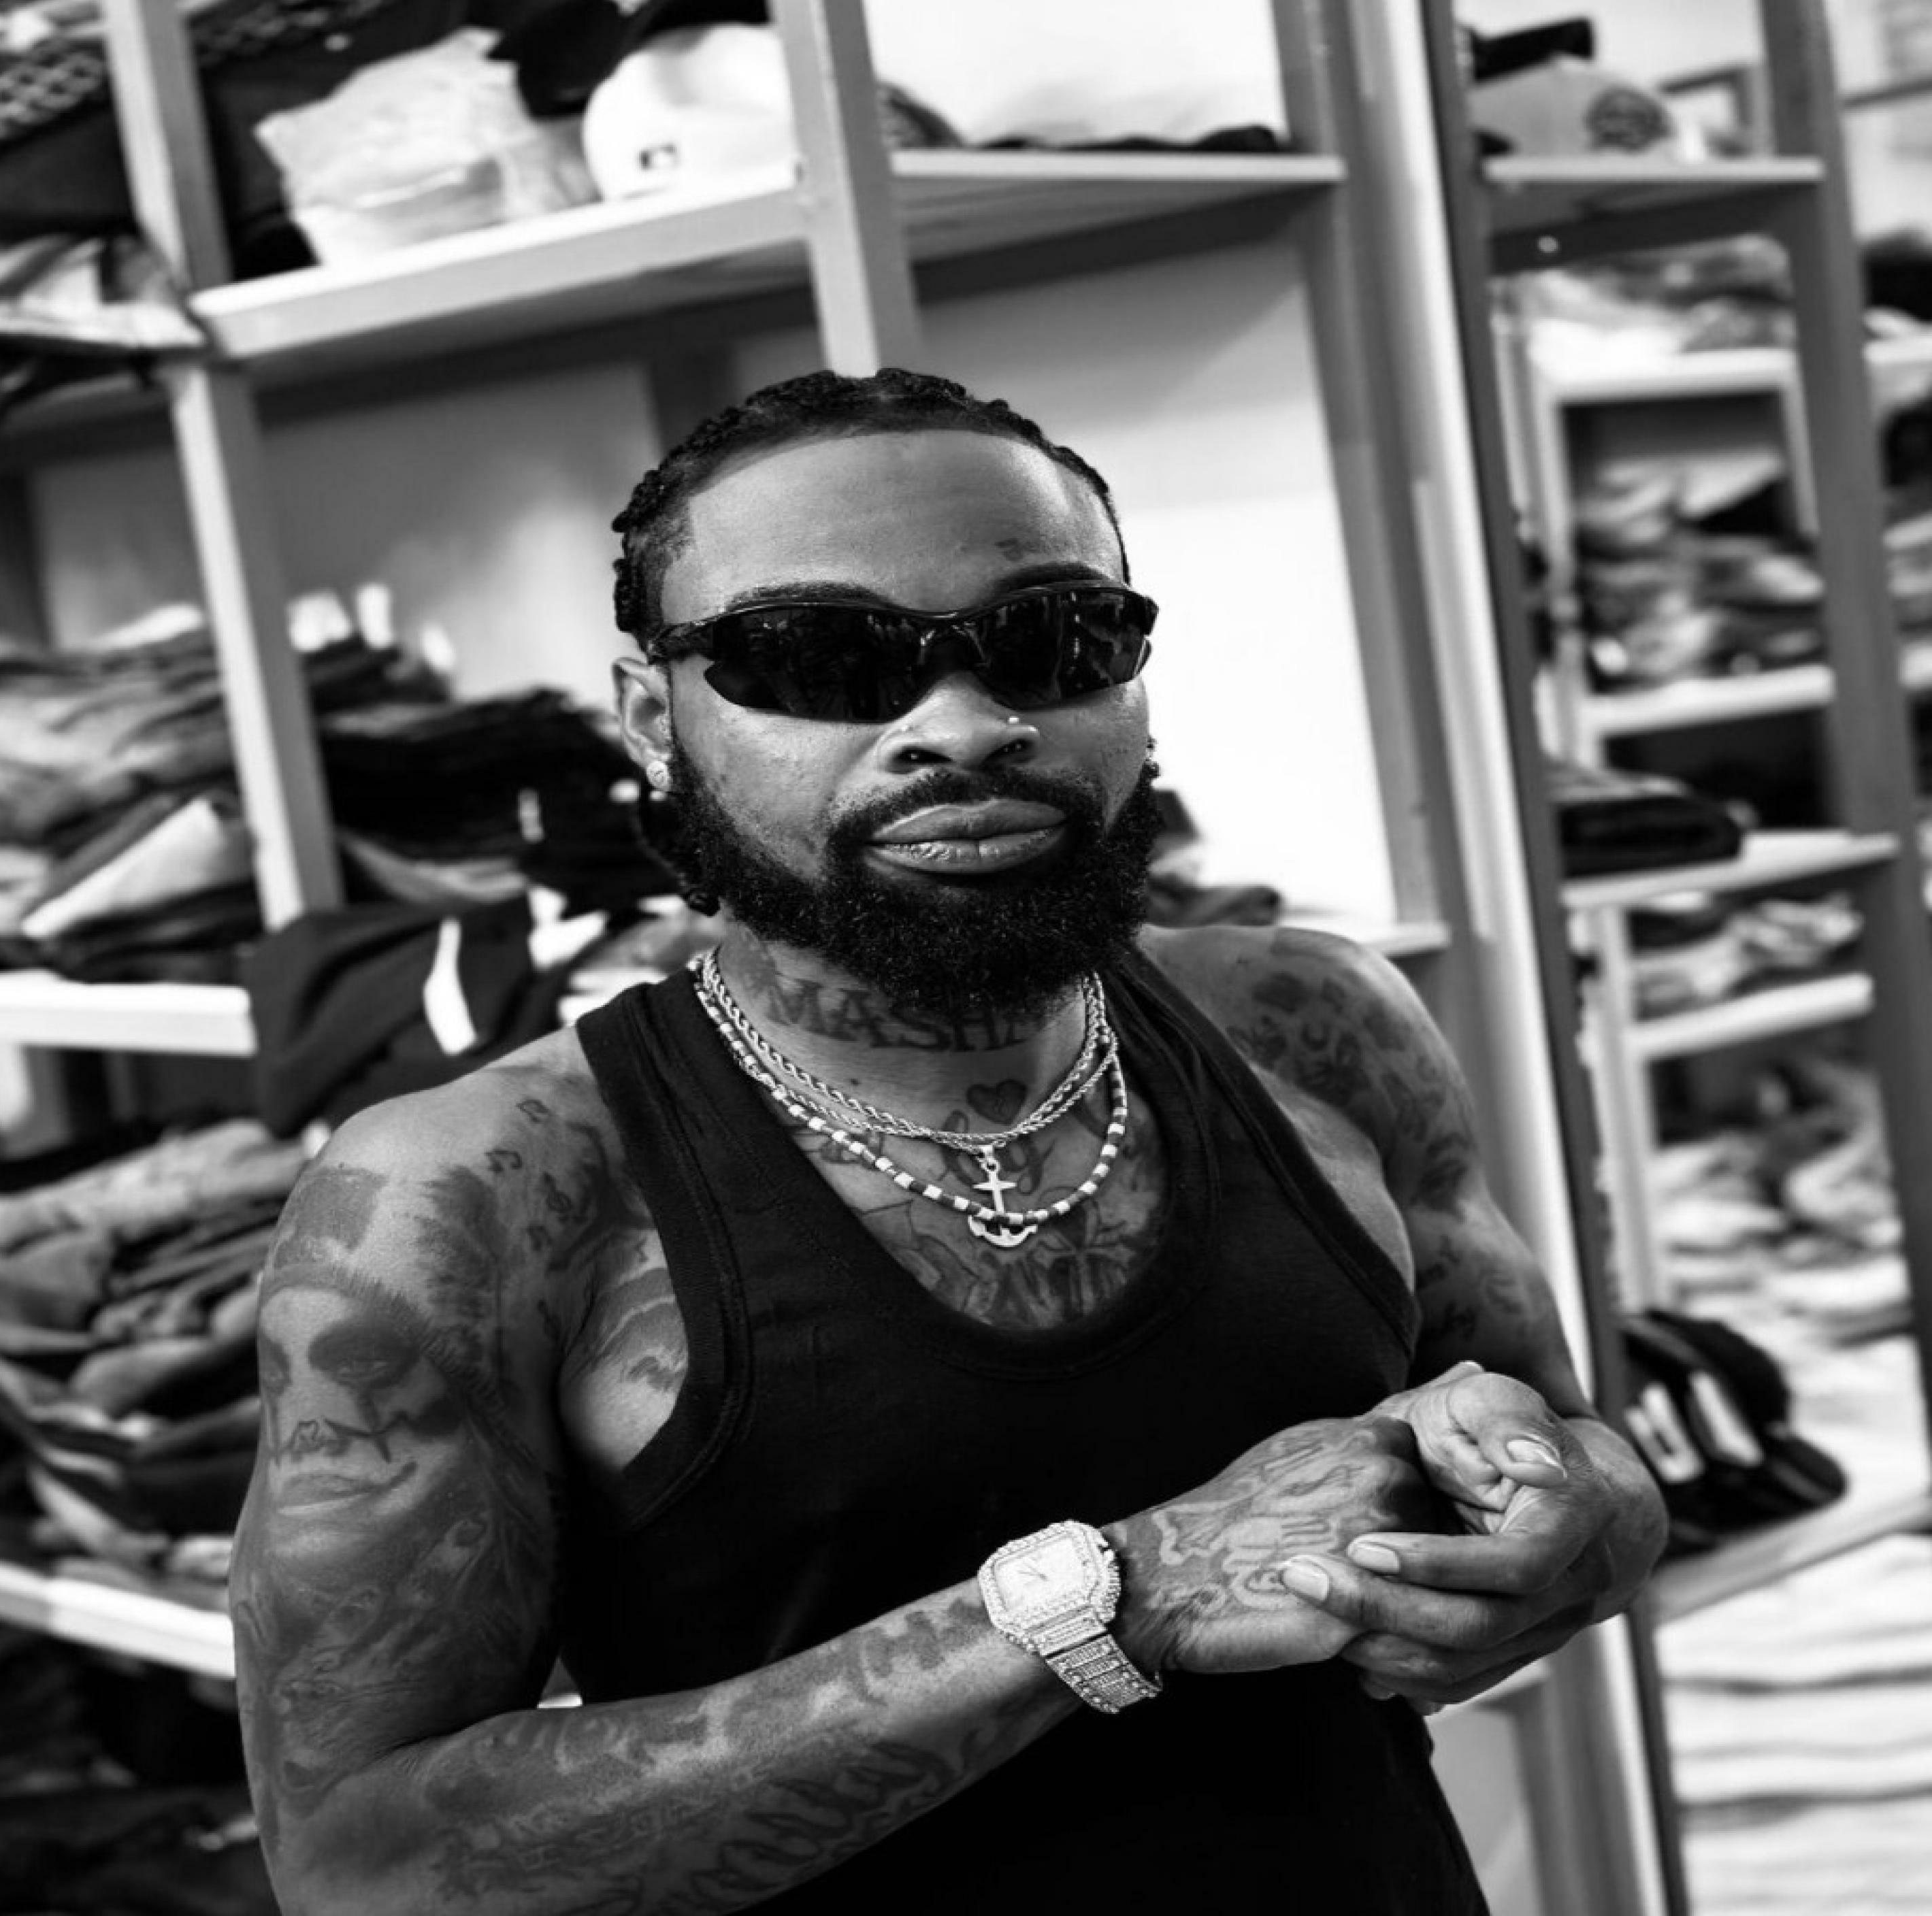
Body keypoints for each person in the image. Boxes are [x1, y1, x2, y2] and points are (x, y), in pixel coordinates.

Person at [230, 367, 1669, 1915]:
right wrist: (1112, 1598)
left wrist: (1572, 1526)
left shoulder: (1319, 1021)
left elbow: (1583, 1450)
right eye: (821, 658)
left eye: (1054, 639)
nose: (968, 727)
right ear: (655, 719)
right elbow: (363, 1867)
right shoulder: (469, 1191)